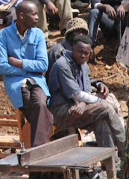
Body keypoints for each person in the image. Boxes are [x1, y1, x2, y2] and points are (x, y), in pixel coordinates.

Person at [49, 35, 125, 167]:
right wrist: (96, 100)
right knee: (106, 107)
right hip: (62, 111)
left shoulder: (83, 65)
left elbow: (86, 90)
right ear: (72, 48)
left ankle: (113, 166)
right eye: (80, 51)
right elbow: (76, 94)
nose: (83, 55)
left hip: (79, 107)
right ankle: (125, 148)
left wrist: (93, 92)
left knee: (101, 122)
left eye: (86, 53)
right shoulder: (62, 65)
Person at [0, 1, 53, 147]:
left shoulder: (39, 34)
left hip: (36, 80)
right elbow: (2, 67)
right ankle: (43, 147)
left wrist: (18, 62)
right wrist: (29, 68)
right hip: (16, 82)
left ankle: (37, 150)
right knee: (35, 106)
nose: (37, 17)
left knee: (40, 103)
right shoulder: (4, 34)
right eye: (34, 14)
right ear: (21, 15)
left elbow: (43, 65)